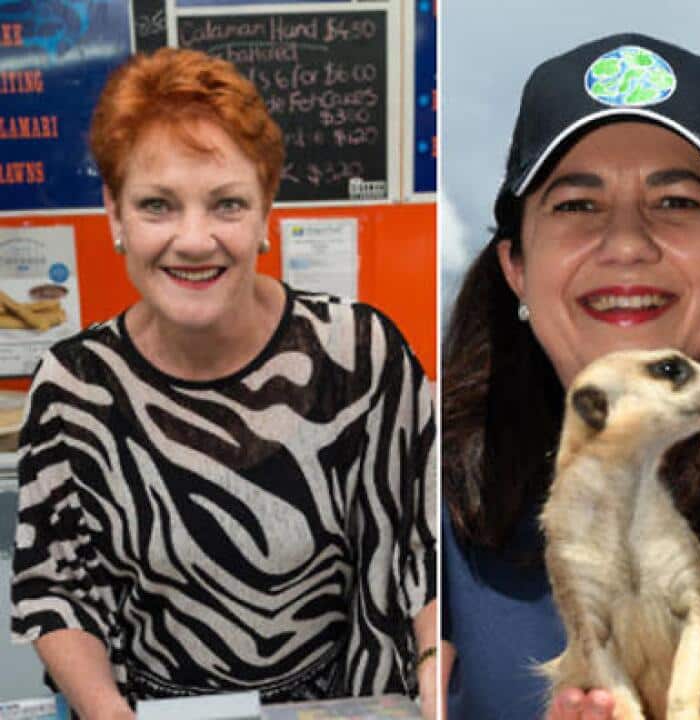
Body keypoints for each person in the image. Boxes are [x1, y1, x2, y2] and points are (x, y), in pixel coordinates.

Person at [9, 48, 437, 719]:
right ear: (115, 217)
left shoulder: (360, 356)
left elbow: (423, 548)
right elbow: (55, 587)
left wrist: (436, 682)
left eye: (226, 204)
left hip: (338, 705)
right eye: (157, 205)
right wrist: (106, 712)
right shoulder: (75, 387)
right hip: (148, 709)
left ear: (266, 209)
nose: (194, 238)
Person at [440, 34, 700, 719]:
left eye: (676, 201)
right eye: (576, 205)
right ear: (516, 268)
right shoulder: (423, 493)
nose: (626, 244)